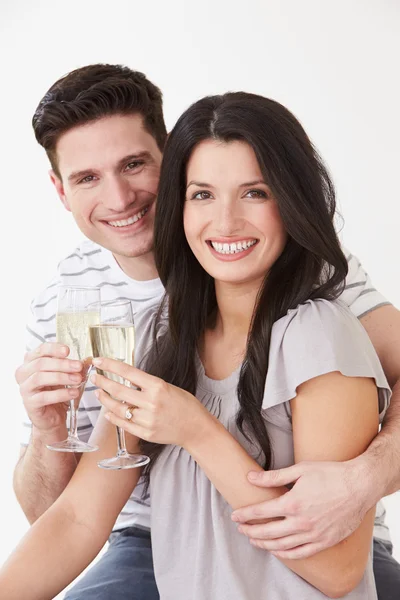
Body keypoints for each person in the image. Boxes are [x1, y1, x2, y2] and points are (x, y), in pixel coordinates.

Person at [11, 66, 400, 598]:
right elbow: (75, 517)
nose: (226, 222)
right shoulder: (155, 335)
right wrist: (50, 432)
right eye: (203, 196)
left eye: (255, 193)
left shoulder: (324, 322)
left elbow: (336, 570)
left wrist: (367, 479)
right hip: (164, 549)